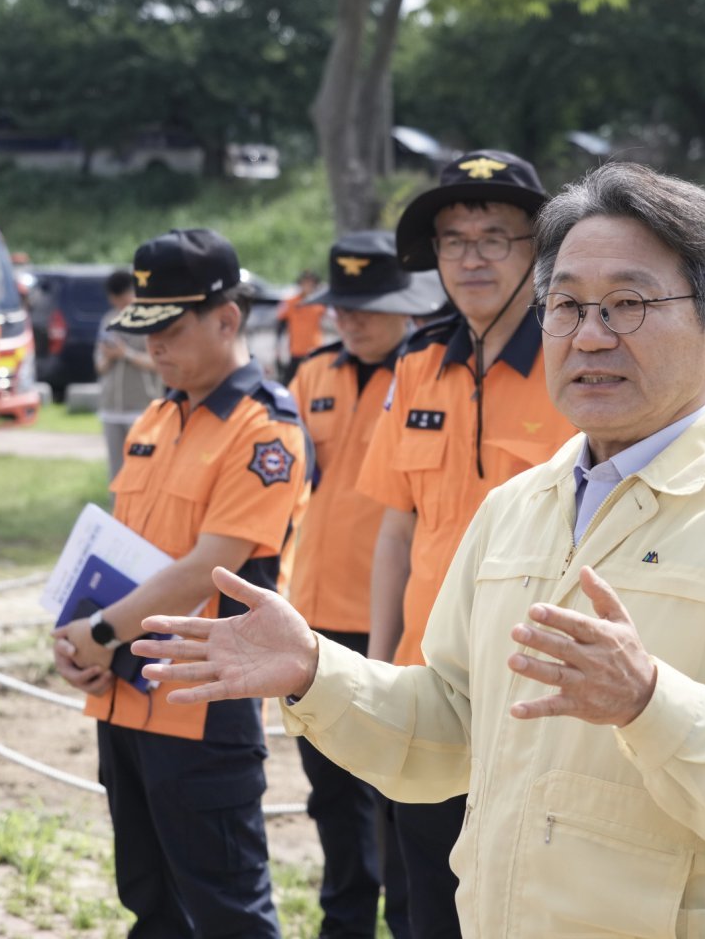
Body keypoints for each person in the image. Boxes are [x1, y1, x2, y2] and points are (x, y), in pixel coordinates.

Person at [133, 162, 705, 939]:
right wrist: (317, 669)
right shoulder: (516, 508)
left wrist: (649, 703)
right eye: (567, 306)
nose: (590, 335)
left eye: (628, 304)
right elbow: (451, 727)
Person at [51, 228, 309, 938]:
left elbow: (207, 566)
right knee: (151, 905)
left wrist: (101, 632)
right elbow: (120, 550)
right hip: (124, 694)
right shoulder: (159, 416)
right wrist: (78, 641)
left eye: (169, 329)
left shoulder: (264, 430)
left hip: (202, 703)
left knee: (228, 914)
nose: (154, 346)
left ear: (227, 319)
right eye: (145, 330)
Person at [353, 149, 577, 937]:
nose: (471, 258)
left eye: (495, 237)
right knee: (421, 906)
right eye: (453, 239)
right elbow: (396, 529)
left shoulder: (576, 361)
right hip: (428, 688)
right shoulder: (417, 363)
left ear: (537, 251)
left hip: (535, 695)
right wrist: (377, 671)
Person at [287, 230, 444, 939]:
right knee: (333, 798)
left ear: (406, 305)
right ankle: (343, 925)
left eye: (367, 306)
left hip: (394, 620)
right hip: (312, 617)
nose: (349, 319)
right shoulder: (312, 374)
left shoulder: (427, 375)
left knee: (403, 801)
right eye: (342, 305)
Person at [94, 268, 163, 481]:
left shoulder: (150, 320)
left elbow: (159, 364)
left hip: (142, 408)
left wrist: (126, 353)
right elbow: (99, 366)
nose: (120, 306)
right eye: (115, 301)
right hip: (111, 407)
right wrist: (110, 356)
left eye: (124, 300)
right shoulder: (108, 320)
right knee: (116, 473)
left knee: (142, 472)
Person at [276, 269, 326, 381]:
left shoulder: (320, 302)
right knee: (290, 380)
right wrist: (279, 346)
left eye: (310, 283)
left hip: (314, 348)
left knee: (315, 380)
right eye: (305, 283)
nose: (307, 286)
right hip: (296, 349)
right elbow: (280, 323)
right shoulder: (291, 302)